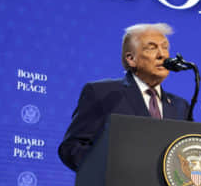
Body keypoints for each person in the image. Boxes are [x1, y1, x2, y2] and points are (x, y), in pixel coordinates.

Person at [58, 23, 191, 172]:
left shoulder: (180, 106)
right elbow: (72, 148)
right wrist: (110, 170)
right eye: (151, 48)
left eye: (165, 47)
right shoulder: (103, 93)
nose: (162, 55)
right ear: (131, 59)